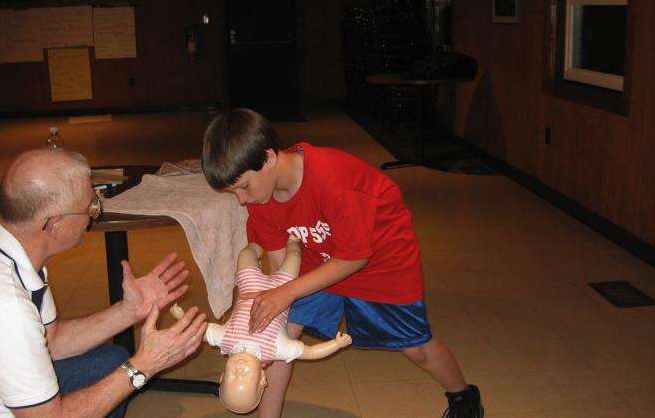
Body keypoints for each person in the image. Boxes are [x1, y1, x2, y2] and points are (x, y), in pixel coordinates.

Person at [201, 108, 483, 418]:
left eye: (244, 186)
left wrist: (287, 293)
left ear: (268, 158)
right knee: (278, 338)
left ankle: (463, 398)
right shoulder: (261, 200)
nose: (242, 200)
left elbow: (356, 256)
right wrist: (271, 316)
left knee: (416, 348)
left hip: (381, 257)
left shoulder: (331, 179)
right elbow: (281, 269)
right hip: (317, 256)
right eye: (234, 193)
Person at [0, 148, 207, 418]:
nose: (93, 215)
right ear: (54, 223)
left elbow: (53, 341)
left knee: (111, 360)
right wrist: (144, 366)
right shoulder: (5, 307)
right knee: (122, 370)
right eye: (90, 207)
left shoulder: (0, 247)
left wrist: (128, 311)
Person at [169, 236, 351, 414]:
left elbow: (199, 330)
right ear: (263, 378)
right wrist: (336, 344)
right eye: (246, 375)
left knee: (246, 254)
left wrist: (181, 317)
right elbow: (309, 353)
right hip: (283, 288)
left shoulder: (225, 340)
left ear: (222, 376)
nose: (239, 369)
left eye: (232, 376)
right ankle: (293, 241)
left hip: (250, 284)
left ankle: (258, 241)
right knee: (294, 257)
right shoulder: (275, 349)